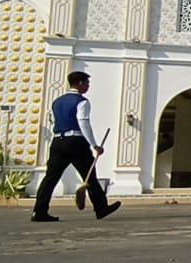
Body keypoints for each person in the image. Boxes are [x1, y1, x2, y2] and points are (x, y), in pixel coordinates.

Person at [31, 71, 122, 222]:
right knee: (90, 175)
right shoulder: (82, 101)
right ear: (80, 83)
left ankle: (39, 211)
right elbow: (83, 122)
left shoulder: (57, 102)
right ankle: (101, 208)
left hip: (57, 141)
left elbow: (54, 121)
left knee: (50, 178)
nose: (88, 86)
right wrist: (94, 145)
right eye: (87, 83)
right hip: (75, 141)